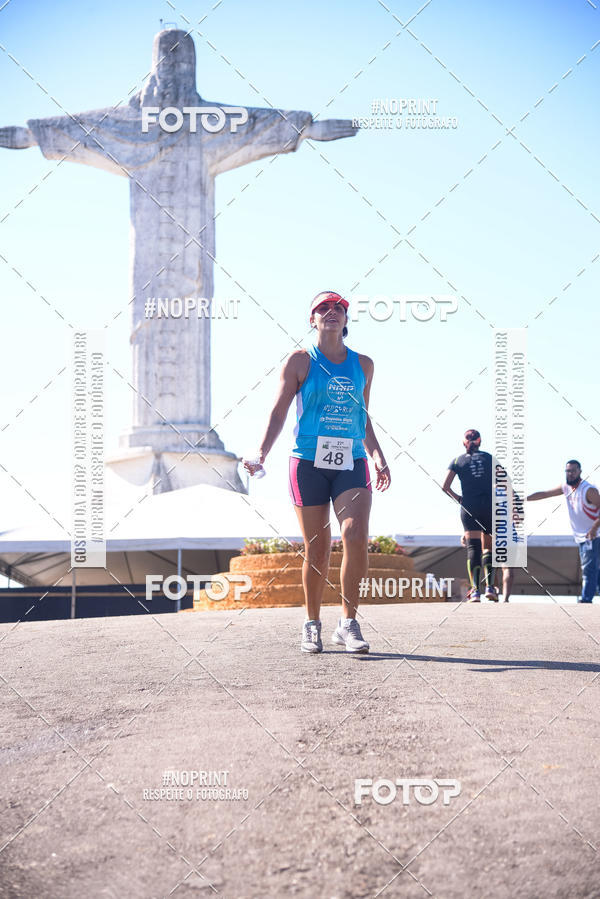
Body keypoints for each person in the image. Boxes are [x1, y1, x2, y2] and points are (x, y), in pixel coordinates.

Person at [244, 291, 391, 653]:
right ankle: (312, 624)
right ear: (312, 320)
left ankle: (348, 624)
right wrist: (261, 452)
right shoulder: (299, 361)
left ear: (346, 319)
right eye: (322, 308)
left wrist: (377, 455)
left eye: (338, 308)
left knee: (355, 536)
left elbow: (362, 418)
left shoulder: (364, 365)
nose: (330, 312)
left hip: (351, 461)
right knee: (318, 547)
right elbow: (278, 413)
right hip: (307, 461)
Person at [527, 460, 600, 603]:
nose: (570, 474)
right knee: (594, 568)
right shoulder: (565, 487)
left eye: (573, 471)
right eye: (568, 471)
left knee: (588, 568)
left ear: (580, 472)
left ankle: (586, 600)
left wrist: (594, 528)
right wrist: (523, 499)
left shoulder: (588, 490)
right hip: (581, 536)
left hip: (594, 535)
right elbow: (544, 494)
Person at [442, 430, 498, 602]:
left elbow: (445, 486)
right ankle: (489, 587)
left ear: (464, 442)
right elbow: (504, 482)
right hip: (488, 506)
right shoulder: (489, 458)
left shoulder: (458, 460)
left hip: (469, 507)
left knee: (473, 548)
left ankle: (475, 591)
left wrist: (460, 499)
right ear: (479, 441)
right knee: (488, 547)